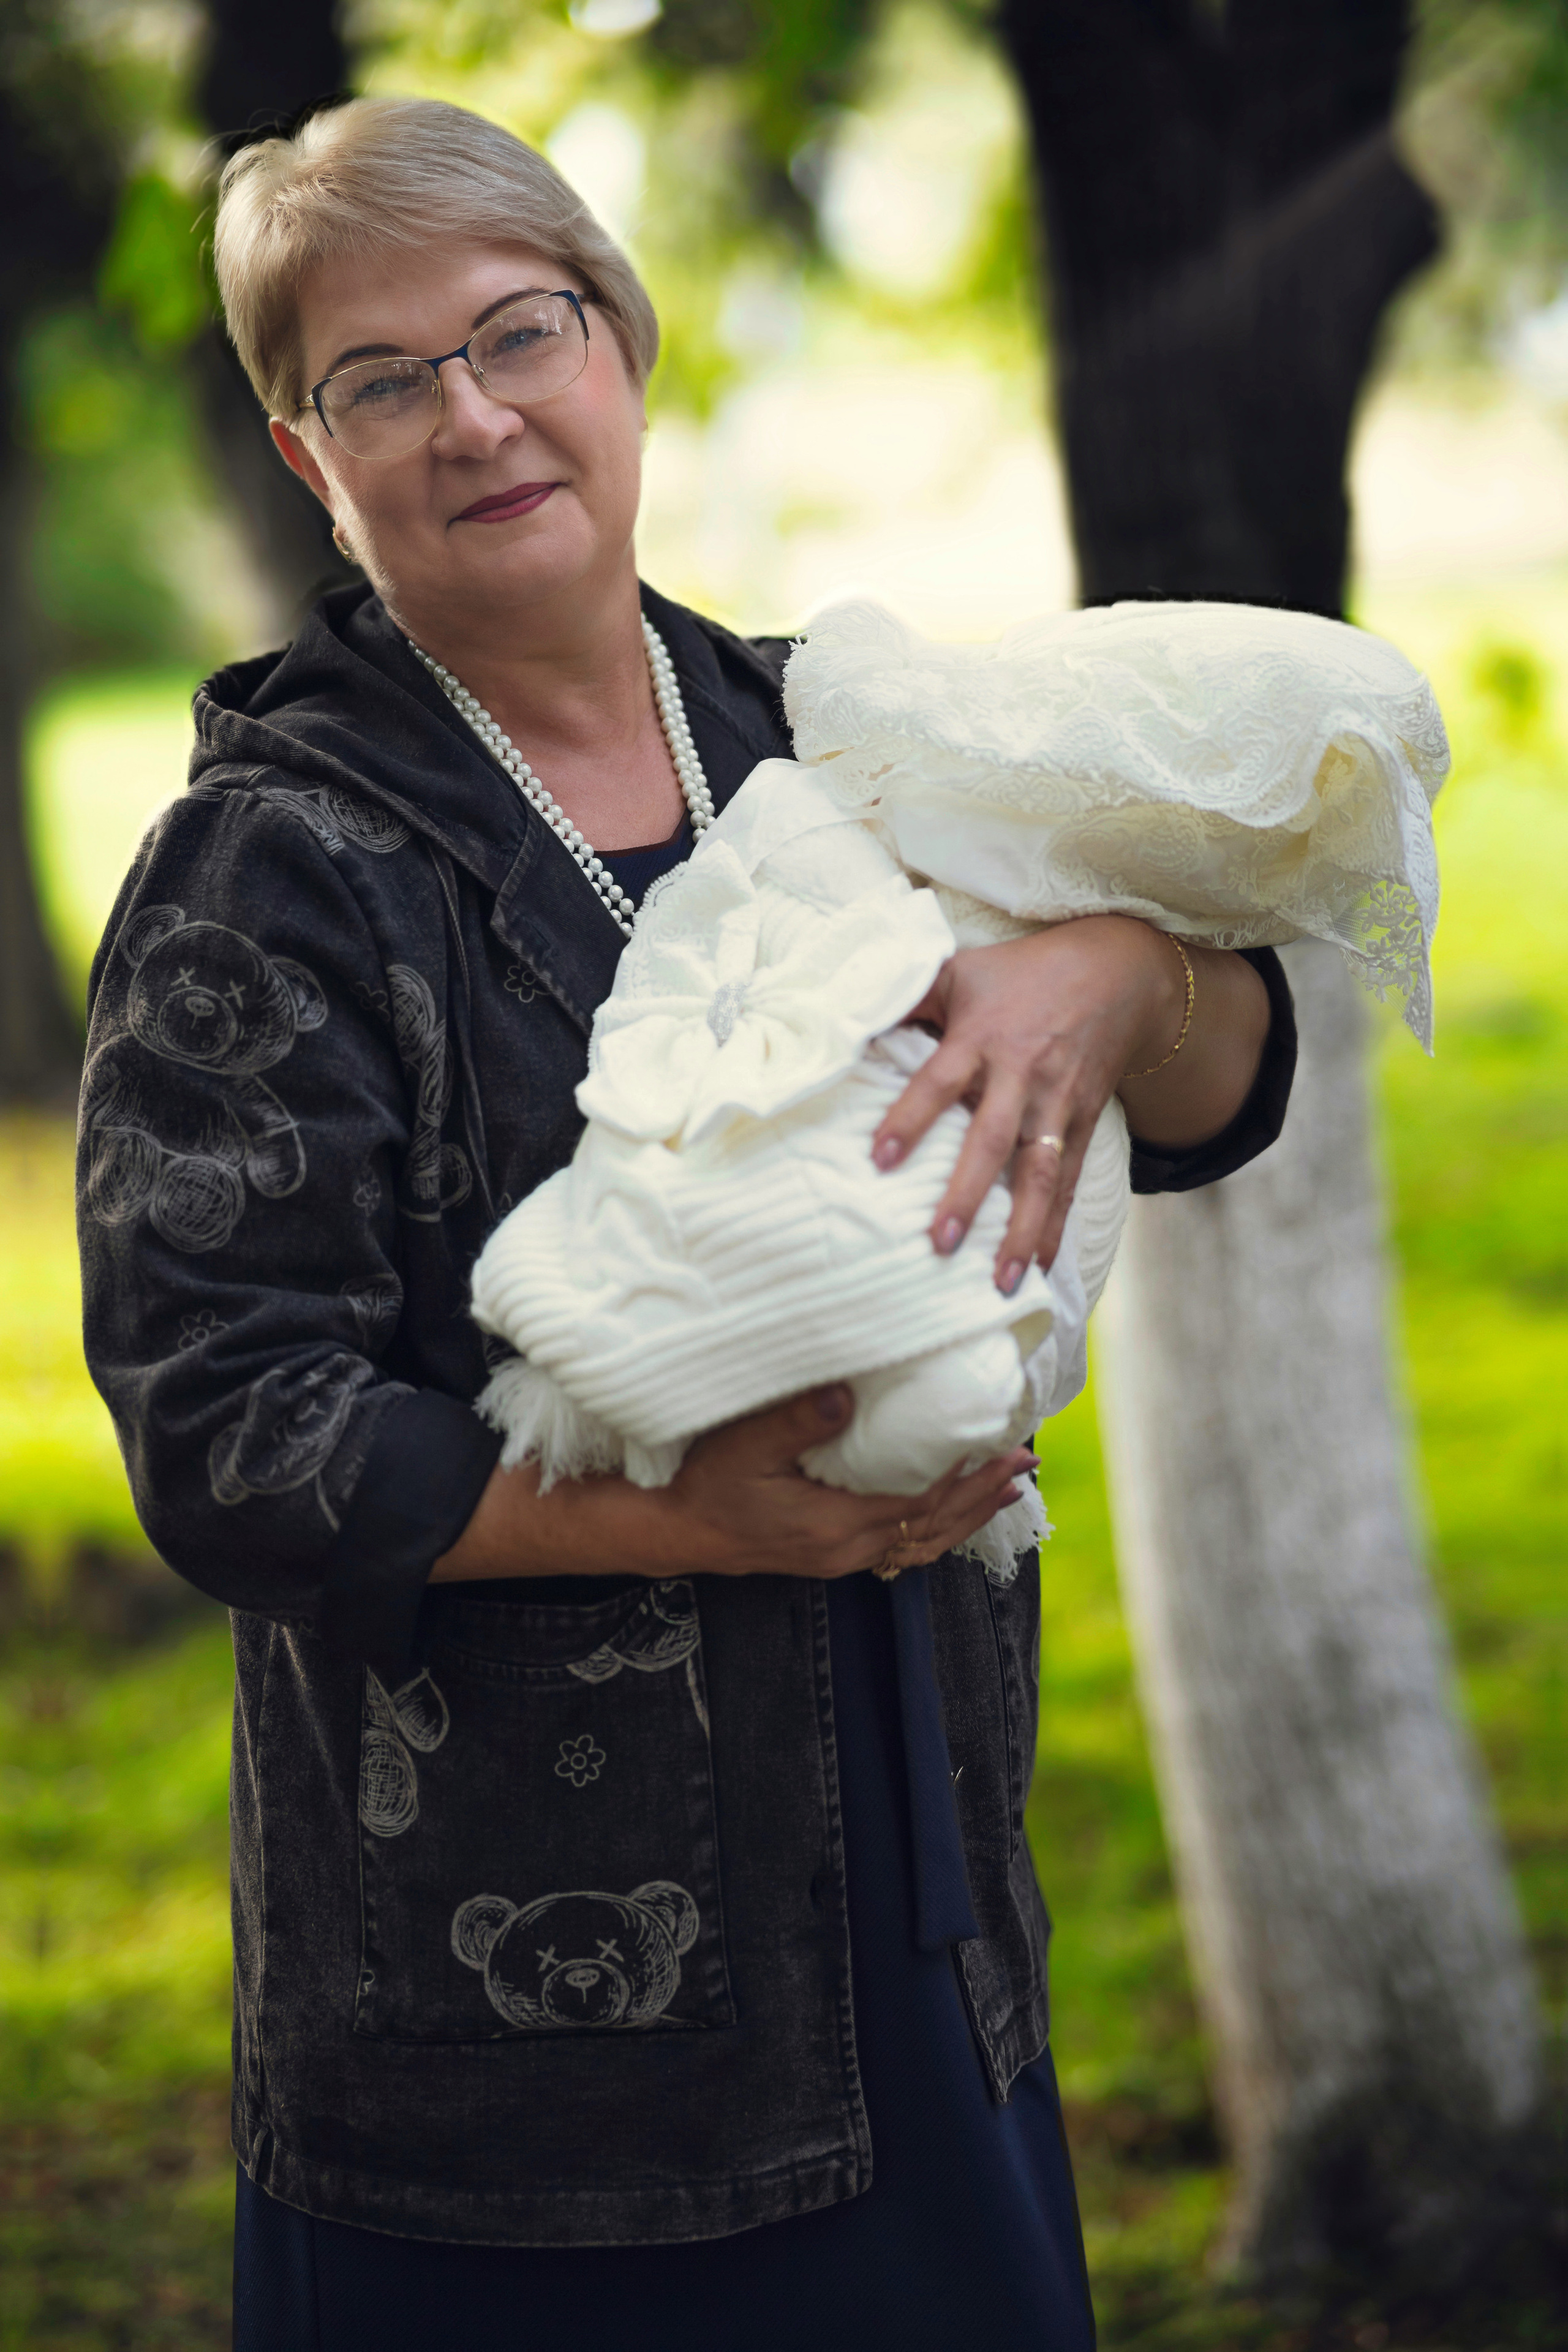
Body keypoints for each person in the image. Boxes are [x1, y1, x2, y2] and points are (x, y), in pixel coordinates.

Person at [77, 96, 1292, 2350]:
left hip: (923, 1911)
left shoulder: (832, 734)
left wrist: (1121, 975)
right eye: (380, 380)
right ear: (308, 456)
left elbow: (1226, 1101)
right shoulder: (272, 871)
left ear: (619, 343)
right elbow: (228, 1435)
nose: (473, 417)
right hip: (521, 2039)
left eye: (516, 332)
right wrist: (688, 1518)